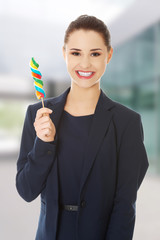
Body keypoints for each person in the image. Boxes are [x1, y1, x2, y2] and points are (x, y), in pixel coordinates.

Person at [16, 15, 149, 240]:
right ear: (64, 53)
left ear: (109, 55)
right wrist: (43, 144)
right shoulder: (38, 115)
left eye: (95, 54)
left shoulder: (127, 123)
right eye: (76, 53)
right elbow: (26, 191)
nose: (85, 64)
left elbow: (125, 206)